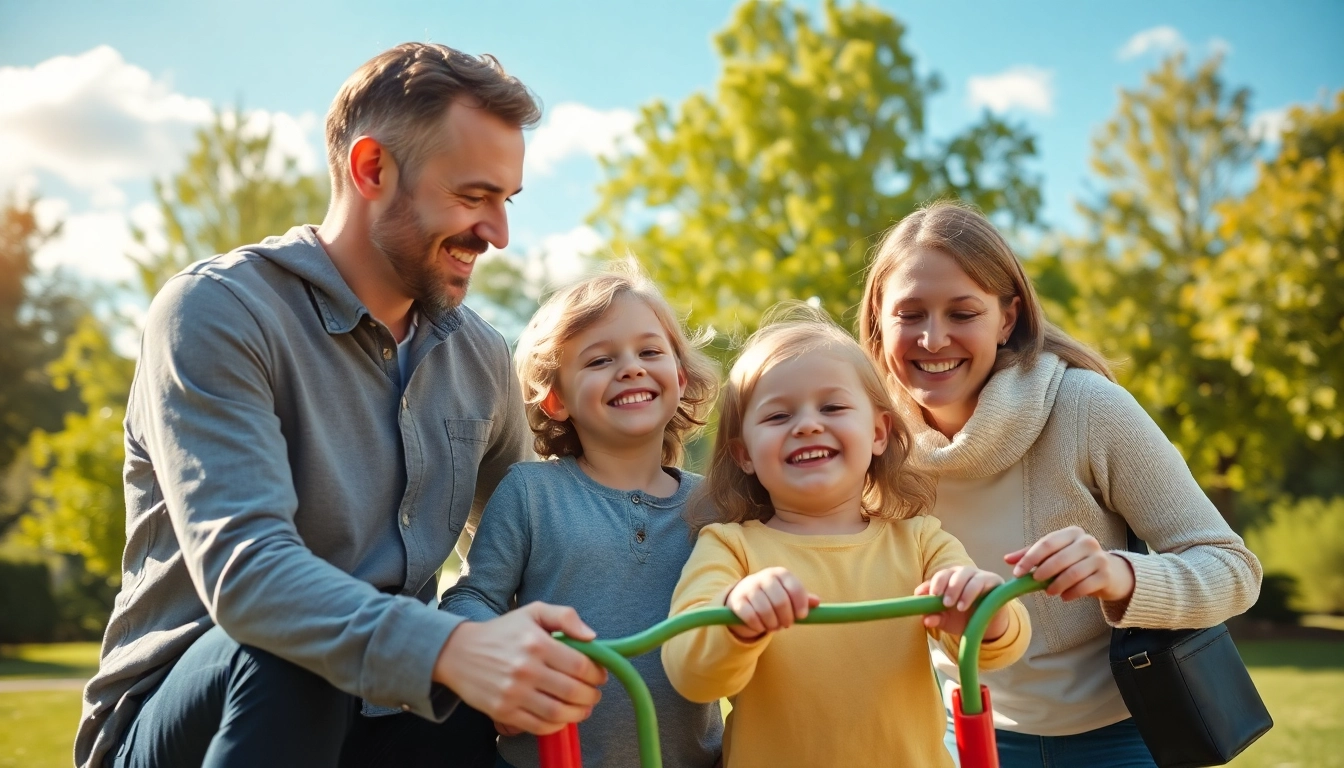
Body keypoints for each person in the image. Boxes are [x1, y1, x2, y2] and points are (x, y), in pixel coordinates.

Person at [76, 43, 608, 768]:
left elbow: (539, 532)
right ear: (372, 169)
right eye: (472, 196)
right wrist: (451, 646)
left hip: (382, 711)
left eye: (506, 201)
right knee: (298, 652)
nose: (498, 234)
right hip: (195, 713)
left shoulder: (478, 354)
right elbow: (249, 574)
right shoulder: (216, 312)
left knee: (467, 713)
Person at [857, 200, 1263, 767]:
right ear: (879, 321)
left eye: (963, 313)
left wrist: (1119, 576)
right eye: (910, 314)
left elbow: (1234, 570)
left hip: (1122, 735)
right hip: (964, 733)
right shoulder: (870, 438)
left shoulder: (1086, 407)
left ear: (1008, 318)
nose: (933, 338)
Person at [660, 304, 1031, 767]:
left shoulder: (920, 542)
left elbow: (1000, 646)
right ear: (744, 454)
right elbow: (691, 674)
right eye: (777, 416)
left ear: (878, 433)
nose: (808, 425)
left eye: (832, 407)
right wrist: (735, 618)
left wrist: (982, 609)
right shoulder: (730, 547)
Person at [441, 267, 723, 767]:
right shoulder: (531, 493)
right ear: (556, 399)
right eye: (600, 360)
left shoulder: (714, 506)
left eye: (649, 352)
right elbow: (470, 597)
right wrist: (503, 661)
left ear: (680, 378)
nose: (631, 368)